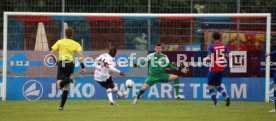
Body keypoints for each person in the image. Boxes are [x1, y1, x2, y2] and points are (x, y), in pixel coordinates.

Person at [49, 27, 85, 110]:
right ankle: (61, 106)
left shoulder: (60, 42)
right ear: (72, 34)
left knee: (59, 85)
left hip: (62, 63)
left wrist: (56, 62)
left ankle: (69, 78)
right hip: (71, 64)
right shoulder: (76, 44)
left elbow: (51, 54)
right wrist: (83, 67)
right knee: (66, 87)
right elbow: (80, 56)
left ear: (65, 34)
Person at [203, 32, 230, 107]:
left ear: (213, 38)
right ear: (220, 38)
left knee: (210, 86)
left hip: (213, 68)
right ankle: (226, 96)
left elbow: (208, 57)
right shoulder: (224, 46)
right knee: (218, 86)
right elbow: (229, 55)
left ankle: (215, 103)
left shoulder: (211, 46)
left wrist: (205, 59)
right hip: (221, 69)